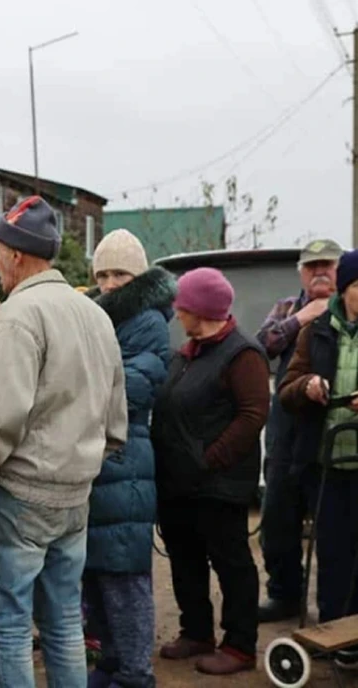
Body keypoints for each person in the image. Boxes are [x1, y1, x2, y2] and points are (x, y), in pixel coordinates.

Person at [0, 196, 128, 688]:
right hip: (75, 493)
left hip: (21, 494)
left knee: (8, 625)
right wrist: (83, 465)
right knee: (65, 622)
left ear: (17, 255)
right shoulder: (95, 315)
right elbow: (117, 420)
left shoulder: (17, 316)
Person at [152, 267, 267, 676]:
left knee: (231, 562)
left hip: (218, 484)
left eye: (181, 306)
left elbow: (253, 414)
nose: (176, 313)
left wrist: (210, 460)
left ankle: (239, 645)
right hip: (180, 483)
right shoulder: (187, 353)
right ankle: (196, 632)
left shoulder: (242, 353)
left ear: (199, 309)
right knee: (185, 561)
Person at [84, 229, 176, 688]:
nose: (110, 282)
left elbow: (136, 386)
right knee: (97, 575)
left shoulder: (148, 322)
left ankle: (136, 673)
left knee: (126, 580)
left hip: (126, 461)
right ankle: (111, 664)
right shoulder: (98, 318)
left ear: (138, 274)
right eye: (102, 273)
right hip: (97, 464)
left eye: (119, 273)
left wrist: (73, 394)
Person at [256, 239, 342, 623]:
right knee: (276, 521)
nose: (320, 271)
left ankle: (335, 609)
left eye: (328, 265)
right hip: (285, 434)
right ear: (301, 273)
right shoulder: (286, 307)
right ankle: (284, 596)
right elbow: (262, 347)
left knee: (335, 529)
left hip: (333, 437)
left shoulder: (350, 309)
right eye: (312, 266)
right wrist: (305, 316)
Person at [279, 249, 358, 640]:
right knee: (333, 556)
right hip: (326, 465)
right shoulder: (317, 330)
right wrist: (308, 386)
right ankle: (335, 636)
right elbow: (286, 389)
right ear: (345, 289)